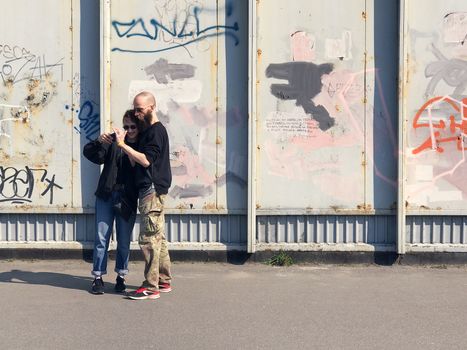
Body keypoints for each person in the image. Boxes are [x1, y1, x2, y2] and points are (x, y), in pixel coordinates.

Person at [113, 91, 172, 300]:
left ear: (152, 108)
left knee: (149, 239)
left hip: (152, 189)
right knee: (158, 238)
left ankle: (151, 286)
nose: (136, 113)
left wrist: (123, 146)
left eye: (140, 109)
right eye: (135, 108)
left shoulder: (156, 131)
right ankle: (164, 281)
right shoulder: (149, 131)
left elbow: (146, 160)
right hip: (152, 188)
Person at [83, 110, 140, 294]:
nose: (129, 130)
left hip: (127, 199)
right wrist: (99, 141)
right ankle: (97, 277)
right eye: (126, 127)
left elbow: (140, 167)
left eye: (133, 127)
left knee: (124, 241)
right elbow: (92, 155)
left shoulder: (140, 145)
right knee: (101, 238)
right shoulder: (113, 142)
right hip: (106, 195)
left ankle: (121, 276)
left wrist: (124, 145)